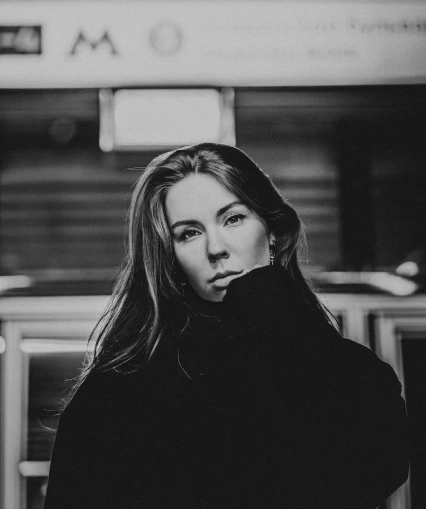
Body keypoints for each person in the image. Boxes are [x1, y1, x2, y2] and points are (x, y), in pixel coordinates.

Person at [44, 143, 410, 509]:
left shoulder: (352, 372)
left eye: (232, 218)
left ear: (273, 231)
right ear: (170, 256)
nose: (215, 247)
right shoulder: (120, 388)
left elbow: (346, 478)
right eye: (189, 233)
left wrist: (266, 300)